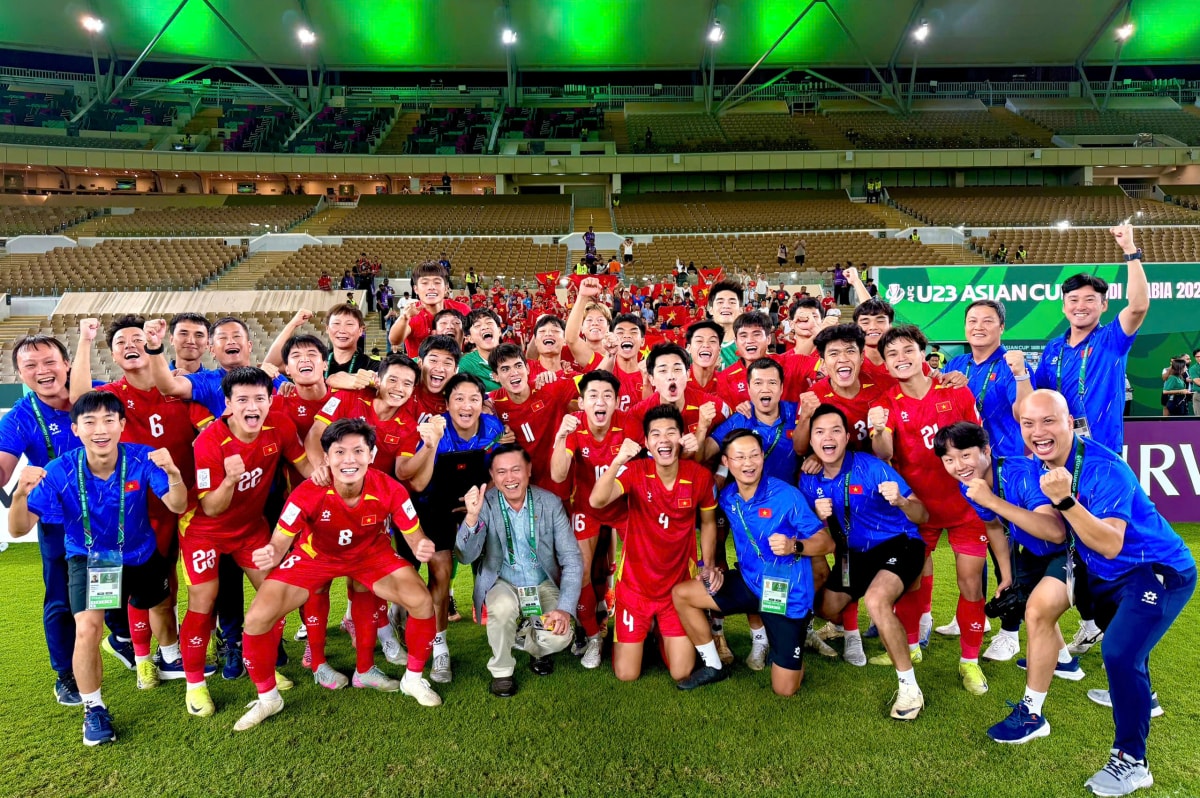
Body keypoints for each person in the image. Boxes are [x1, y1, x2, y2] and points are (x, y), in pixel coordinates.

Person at [1020, 389, 1195, 796]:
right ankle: (1142, 696)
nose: (1038, 432)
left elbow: (1111, 543)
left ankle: (1133, 762)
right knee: (1126, 651)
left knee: (1118, 652)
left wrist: (1065, 501)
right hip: (1107, 575)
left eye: (1048, 421)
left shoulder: (1105, 467)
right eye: (1028, 424)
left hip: (1156, 570)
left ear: (1069, 422)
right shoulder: (1044, 462)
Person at [231, 418, 442, 731]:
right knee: (257, 618)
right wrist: (271, 552)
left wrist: (422, 545)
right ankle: (268, 698)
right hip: (316, 558)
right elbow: (279, 542)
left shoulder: (390, 488)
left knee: (422, 601)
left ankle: (412, 679)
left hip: (371, 556)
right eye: (340, 452)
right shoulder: (308, 491)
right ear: (327, 457)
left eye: (358, 451)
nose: (349, 460)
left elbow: (415, 536)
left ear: (371, 455)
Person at [9, 391, 188, 746]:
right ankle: (93, 708)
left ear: (122, 424)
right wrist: (18, 496)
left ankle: (170, 658)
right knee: (88, 630)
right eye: (89, 422)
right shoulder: (60, 470)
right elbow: (18, 529)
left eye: (109, 420)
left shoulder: (141, 458)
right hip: (92, 559)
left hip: (140, 552)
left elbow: (177, 504)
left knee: (160, 605)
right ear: (76, 429)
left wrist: (174, 473)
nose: (100, 429)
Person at [1032, 224, 1148, 656]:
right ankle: (1089, 621)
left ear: (1102, 305)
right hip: (1059, 456)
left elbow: (1139, 304)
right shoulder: (1053, 350)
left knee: (1103, 541)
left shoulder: (1111, 339)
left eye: (1089, 300)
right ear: (1064, 306)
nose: (1080, 306)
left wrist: (1130, 250)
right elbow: (1038, 400)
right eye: (1073, 300)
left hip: (1099, 458)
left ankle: (1119, 625)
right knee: (1070, 541)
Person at [871, 325, 1004, 695]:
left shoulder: (955, 390)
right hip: (918, 509)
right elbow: (884, 453)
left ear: (922, 353)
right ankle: (911, 646)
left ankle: (970, 661)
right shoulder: (885, 402)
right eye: (892, 354)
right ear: (886, 363)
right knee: (913, 580)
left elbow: (980, 446)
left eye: (907, 350)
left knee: (970, 583)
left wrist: (984, 492)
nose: (901, 358)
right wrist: (878, 431)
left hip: (965, 508)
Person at [0, 337, 133, 706]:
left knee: (115, 582)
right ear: (19, 374)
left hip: (109, 514)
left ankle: (121, 638)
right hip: (60, 520)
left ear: (66, 364)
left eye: (49, 362)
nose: (42, 371)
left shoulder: (97, 396)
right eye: (30, 366)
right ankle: (66, 674)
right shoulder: (20, 418)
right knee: (61, 599)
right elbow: (3, 470)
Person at [175, 367, 314, 718]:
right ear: (228, 403)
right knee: (203, 601)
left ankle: (262, 666)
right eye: (243, 400)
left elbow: (306, 468)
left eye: (259, 399)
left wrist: (336, 486)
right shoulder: (209, 441)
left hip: (250, 528)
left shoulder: (279, 426)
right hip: (204, 530)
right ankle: (195, 684)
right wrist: (230, 480)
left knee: (274, 596)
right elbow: (211, 507)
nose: (252, 407)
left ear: (270, 400)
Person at [933, 422, 1079, 743]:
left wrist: (992, 500)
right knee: (1028, 603)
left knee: (1038, 612)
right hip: (1037, 551)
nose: (959, 466)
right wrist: (1008, 575)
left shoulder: (1019, 473)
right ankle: (1064, 662)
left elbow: (1055, 531)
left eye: (966, 455)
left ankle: (1032, 715)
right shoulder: (970, 486)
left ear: (986, 450)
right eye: (949, 460)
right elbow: (995, 528)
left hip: (1077, 548)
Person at [673, 430, 834, 695]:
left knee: (784, 689)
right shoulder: (728, 497)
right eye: (740, 457)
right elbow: (708, 521)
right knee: (682, 594)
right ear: (726, 461)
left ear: (762, 457)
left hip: (785, 593)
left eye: (754, 455)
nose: (748, 463)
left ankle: (792, 641)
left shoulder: (787, 496)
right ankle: (713, 665)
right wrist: (711, 567)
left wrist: (794, 545)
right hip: (749, 583)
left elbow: (826, 543)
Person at [797, 404, 930, 718]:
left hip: (899, 543)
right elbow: (806, 528)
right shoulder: (809, 479)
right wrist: (816, 514)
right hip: (852, 555)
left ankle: (910, 689)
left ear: (847, 437)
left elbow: (922, 514)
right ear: (812, 441)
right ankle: (847, 628)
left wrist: (901, 501)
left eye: (835, 431)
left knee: (876, 600)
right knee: (825, 608)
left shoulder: (872, 467)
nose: (828, 438)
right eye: (820, 432)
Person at [590, 405, 717, 683]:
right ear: (647, 443)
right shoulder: (636, 471)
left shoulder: (699, 476)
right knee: (626, 674)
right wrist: (617, 461)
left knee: (681, 672)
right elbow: (596, 500)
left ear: (681, 437)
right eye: (656, 434)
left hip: (677, 590)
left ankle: (660, 630)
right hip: (635, 589)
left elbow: (708, 523)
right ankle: (644, 629)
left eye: (671, 432)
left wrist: (707, 564)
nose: (664, 440)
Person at [456, 444, 583, 697]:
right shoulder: (485, 504)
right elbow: (464, 556)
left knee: (559, 636)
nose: (509, 478)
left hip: (542, 581)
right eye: (501, 472)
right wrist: (471, 518)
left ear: (529, 470)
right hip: (502, 581)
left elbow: (571, 558)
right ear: (492, 476)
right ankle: (502, 671)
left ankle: (533, 644)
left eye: (516, 469)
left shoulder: (549, 502)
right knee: (502, 608)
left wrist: (564, 608)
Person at [411, 374, 506, 684]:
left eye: (474, 399)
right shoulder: (435, 428)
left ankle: (510, 624)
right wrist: (430, 444)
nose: (467, 405)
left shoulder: (493, 428)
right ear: (447, 404)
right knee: (440, 571)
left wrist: (480, 500)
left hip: (474, 505)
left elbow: (497, 471)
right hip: (433, 506)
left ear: (482, 403)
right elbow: (418, 483)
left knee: (499, 556)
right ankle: (440, 646)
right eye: (459, 399)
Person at [550, 370, 630, 669]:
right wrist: (560, 437)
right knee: (580, 572)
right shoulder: (574, 425)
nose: (600, 401)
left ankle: (636, 627)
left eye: (607, 396)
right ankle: (594, 637)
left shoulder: (629, 424)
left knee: (635, 569)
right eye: (593, 395)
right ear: (581, 402)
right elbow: (559, 474)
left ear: (617, 401)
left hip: (624, 507)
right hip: (586, 507)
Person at [943, 300, 1031, 459]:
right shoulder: (955, 364)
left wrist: (1021, 375)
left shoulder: (1012, 366)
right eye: (972, 321)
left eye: (987, 321)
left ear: (1002, 327)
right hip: (963, 463)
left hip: (1005, 461)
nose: (978, 327)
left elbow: (1026, 415)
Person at [389, 263, 471, 358]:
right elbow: (395, 341)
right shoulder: (411, 315)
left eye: (437, 282)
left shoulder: (462, 309)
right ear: (416, 289)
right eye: (425, 283)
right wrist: (404, 317)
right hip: (421, 367)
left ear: (446, 288)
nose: (431, 287)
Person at [458, 309, 505, 392]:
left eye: (489, 322)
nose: (485, 327)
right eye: (477, 325)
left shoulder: (515, 357)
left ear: (499, 331)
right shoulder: (465, 365)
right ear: (470, 338)